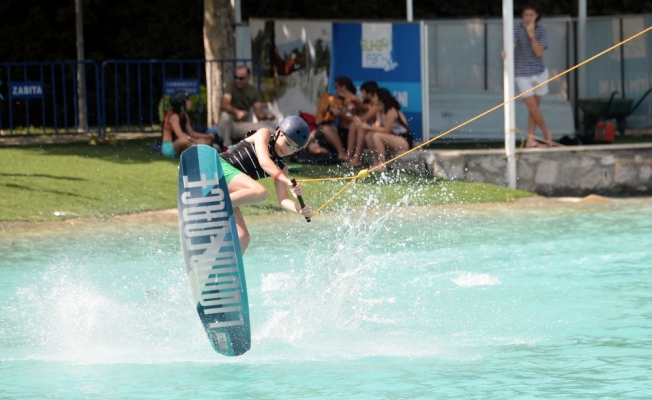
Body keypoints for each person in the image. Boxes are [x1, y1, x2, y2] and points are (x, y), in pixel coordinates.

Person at [219, 115, 312, 254]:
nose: (288, 150)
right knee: (261, 193)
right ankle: (213, 206)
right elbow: (264, 162)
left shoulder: (281, 167)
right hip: (220, 168)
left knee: (243, 238)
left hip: (231, 193)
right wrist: (288, 182)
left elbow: (283, 200)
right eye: (287, 143)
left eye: (294, 148)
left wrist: (299, 208)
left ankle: (223, 270)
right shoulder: (264, 134)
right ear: (279, 132)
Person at [507, 3, 553, 148]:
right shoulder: (515, 29)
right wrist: (506, 52)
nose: (528, 18)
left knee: (535, 109)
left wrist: (531, 34)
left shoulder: (541, 31)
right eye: (526, 15)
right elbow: (511, 46)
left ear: (536, 16)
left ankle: (530, 140)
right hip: (522, 74)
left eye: (531, 15)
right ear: (522, 15)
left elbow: (539, 53)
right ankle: (547, 133)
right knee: (532, 108)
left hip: (539, 73)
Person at [351, 88, 413, 171]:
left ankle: (382, 164)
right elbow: (377, 126)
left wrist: (367, 127)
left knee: (377, 136)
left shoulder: (391, 110)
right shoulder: (380, 111)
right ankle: (376, 162)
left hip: (403, 140)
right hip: (392, 137)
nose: (372, 99)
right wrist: (363, 125)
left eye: (375, 97)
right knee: (369, 136)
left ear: (381, 99)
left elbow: (386, 130)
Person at [217, 65, 276, 147]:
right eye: (236, 77)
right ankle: (226, 146)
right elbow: (224, 104)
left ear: (248, 78)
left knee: (270, 131)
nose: (238, 80)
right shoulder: (230, 86)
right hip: (226, 125)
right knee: (225, 116)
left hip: (241, 125)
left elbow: (259, 115)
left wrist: (267, 116)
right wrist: (236, 112)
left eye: (241, 78)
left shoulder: (253, 91)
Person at [317, 76, 366, 162]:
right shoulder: (339, 101)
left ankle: (343, 154)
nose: (336, 90)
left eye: (337, 87)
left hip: (350, 133)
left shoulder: (355, 100)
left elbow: (358, 119)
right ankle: (341, 153)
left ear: (344, 87)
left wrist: (341, 114)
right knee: (324, 129)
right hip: (340, 132)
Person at [161, 90, 215, 158]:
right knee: (185, 140)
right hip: (170, 147)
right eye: (188, 100)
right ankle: (198, 150)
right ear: (182, 103)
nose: (190, 102)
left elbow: (191, 132)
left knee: (206, 140)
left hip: (182, 142)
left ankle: (196, 150)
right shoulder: (173, 116)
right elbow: (180, 135)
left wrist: (207, 136)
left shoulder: (184, 115)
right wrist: (196, 141)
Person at [344, 81, 381, 167]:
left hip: (383, 134)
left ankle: (356, 158)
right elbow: (363, 107)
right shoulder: (370, 105)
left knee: (361, 127)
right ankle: (349, 156)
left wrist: (342, 114)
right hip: (375, 134)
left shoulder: (376, 105)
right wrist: (355, 101)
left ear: (370, 94)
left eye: (362, 92)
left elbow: (363, 119)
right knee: (354, 125)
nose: (361, 95)